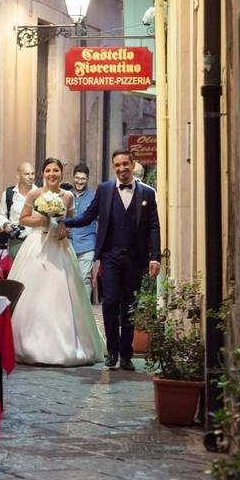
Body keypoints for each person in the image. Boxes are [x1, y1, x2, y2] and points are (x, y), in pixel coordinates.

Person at [61, 149, 161, 371]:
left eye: (125, 164)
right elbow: (88, 216)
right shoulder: (105, 190)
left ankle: (126, 354)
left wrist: (155, 256)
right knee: (110, 302)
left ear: (132, 164)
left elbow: (154, 225)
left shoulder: (147, 193)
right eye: (117, 165)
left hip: (135, 258)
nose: (122, 168)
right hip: (110, 256)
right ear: (113, 167)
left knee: (129, 305)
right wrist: (64, 222)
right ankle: (112, 352)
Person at [9, 157, 105, 366]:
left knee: (60, 293)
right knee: (33, 294)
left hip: (59, 246)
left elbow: (70, 220)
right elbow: (23, 218)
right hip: (37, 245)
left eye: (56, 171)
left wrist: (64, 228)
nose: (52, 174)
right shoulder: (35, 194)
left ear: (61, 174)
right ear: (43, 173)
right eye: (48, 170)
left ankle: (66, 343)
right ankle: (27, 343)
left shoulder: (68, 196)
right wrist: (42, 219)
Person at [69, 163, 97, 300]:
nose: (80, 181)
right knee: (69, 279)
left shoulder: (94, 197)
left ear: (87, 179)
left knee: (85, 277)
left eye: (83, 179)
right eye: (77, 178)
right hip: (68, 244)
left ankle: (85, 311)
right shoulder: (66, 196)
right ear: (73, 178)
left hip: (87, 244)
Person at [0, 162, 36, 260]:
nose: (31, 177)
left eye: (33, 173)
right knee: (17, 274)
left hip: (35, 243)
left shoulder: (39, 193)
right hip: (16, 243)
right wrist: (6, 225)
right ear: (18, 175)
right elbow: (1, 215)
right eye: (27, 174)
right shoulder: (8, 193)